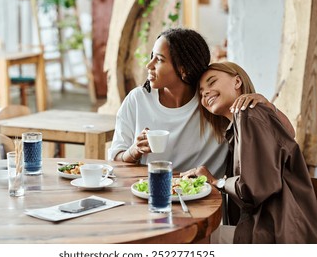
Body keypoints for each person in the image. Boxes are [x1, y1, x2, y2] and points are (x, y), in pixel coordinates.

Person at [108, 28, 289, 177]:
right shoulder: (138, 100)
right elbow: (115, 160)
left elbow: (286, 135)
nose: (149, 65)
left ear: (184, 70)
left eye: (160, 60)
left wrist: (265, 105)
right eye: (151, 57)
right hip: (152, 193)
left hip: (205, 199)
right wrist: (133, 151)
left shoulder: (211, 103)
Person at [181, 61, 317, 243]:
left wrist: (216, 181)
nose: (205, 93)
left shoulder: (248, 114)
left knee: (191, 239)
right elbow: (288, 134)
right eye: (201, 93)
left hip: (278, 235)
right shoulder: (242, 122)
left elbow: (256, 187)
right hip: (269, 230)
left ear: (237, 82)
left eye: (212, 82)